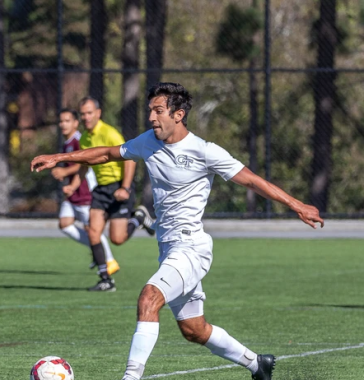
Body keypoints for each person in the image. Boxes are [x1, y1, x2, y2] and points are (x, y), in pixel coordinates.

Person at [31, 83, 324, 380]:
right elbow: (107, 154)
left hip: (191, 248)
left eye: (158, 111)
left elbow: (251, 181)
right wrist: (59, 157)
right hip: (168, 248)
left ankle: (130, 378)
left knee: (149, 298)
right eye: (150, 111)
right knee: (194, 330)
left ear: (178, 114)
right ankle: (256, 364)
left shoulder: (204, 151)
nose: (152, 118)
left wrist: (296, 204)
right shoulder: (148, 142)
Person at [74, 97, 154, 292]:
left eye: (89, 113)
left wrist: (125, 188)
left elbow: (130, 159)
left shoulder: (109, 133)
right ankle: (105, 280)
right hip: (101, 190)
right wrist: (74, 185)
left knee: (117, 239)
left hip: (118, 187)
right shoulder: (84, 138)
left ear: (98, 113)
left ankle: (138, 218)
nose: (86, 117)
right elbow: (85, 165)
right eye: (83, 113)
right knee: (93, 232)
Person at [50, 109, 118, 275]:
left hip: (85, 192)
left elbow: (84, 163)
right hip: (73, 193)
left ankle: (109, 260)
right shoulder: (67, 142)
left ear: (75, 123)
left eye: (67, 121)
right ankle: (97, 251)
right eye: (61, 121)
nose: (63, 124)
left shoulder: (79, 140)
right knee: (65, 224)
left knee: (93, 230)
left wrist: (64, 173)